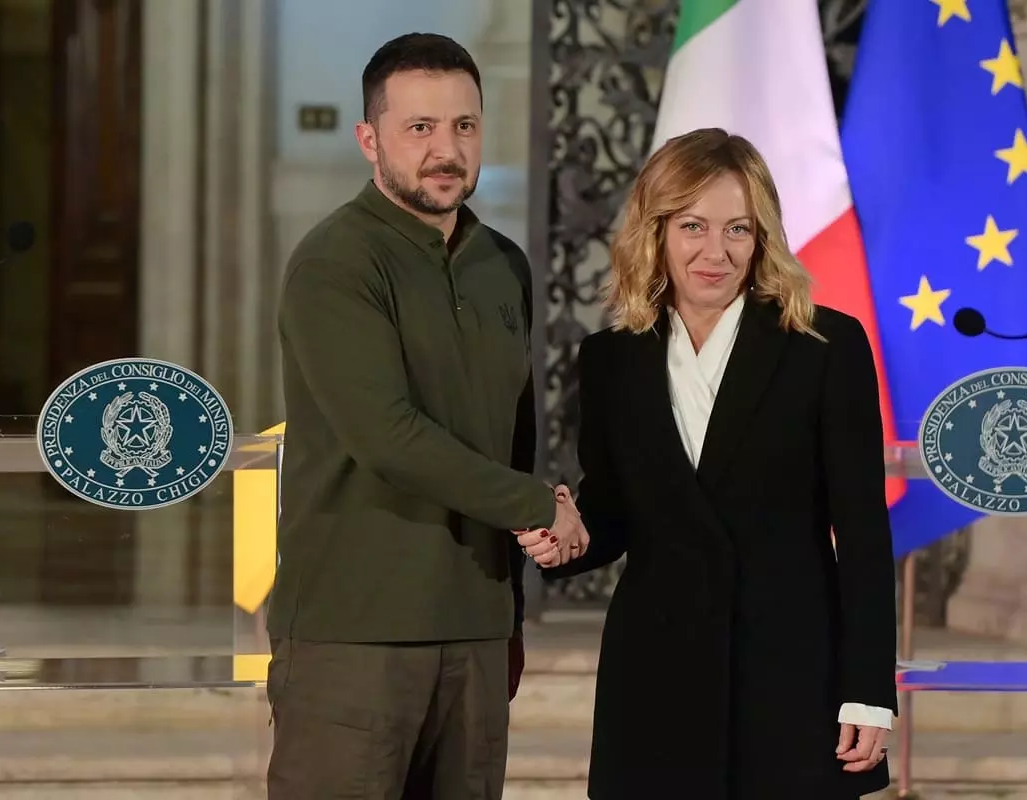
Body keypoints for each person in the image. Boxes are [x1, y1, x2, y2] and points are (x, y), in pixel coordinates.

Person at [517, 128, 898, 799]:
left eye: (737, 229)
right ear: (656, 231)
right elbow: (613, 512)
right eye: (692, 226)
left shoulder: (825, 346)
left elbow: (864, 533)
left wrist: (868, 690)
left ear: (762, 238)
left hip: (788, 668)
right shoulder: (611, 358)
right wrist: (566, 537)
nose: (715, 252)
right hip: (656, 670)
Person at [266, 33, 587, 800]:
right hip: (355, 633)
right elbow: (388, 436)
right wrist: (538, 504)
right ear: (369, 139)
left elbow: (511, 436)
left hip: (476, 629)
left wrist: (509, 613)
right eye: (420, 128)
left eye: (464, 126)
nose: (447, 150)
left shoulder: (503, 264)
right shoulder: (335, 263)